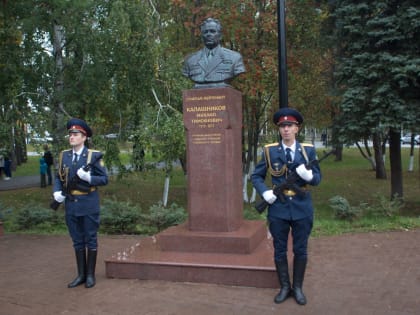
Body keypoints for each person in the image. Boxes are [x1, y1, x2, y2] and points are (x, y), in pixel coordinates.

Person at [251, 108, 321, 305]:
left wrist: (309, 177)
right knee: (279, 249)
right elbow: (256, 176)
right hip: (278, 209)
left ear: (297, 128)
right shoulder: (270, 151)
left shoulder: (308, 150)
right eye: (282, 126)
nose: (286, 129)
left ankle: (297, 288)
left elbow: (317, 179)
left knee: (301, 249)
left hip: (301, 208)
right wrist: (265, 192)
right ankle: (284, 287)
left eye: (290, 126)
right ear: (279, 129)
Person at [53, 118, 108, 288]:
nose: (72, 136)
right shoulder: (64, 155)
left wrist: (89, 178)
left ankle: (90, 275)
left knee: (90, 239)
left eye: (76, 134)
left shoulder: (93, 156)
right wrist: (56, 192)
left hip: (88, 204)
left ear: (84, 137)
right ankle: (81, 275)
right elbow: (58, 177)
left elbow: (104, 179)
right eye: (70, 134)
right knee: (77, 241)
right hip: (71, 204)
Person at [182, 17, 245, 88]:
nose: (208, 34)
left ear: (220, 36)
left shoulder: (235, 57)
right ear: (202, 37)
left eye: (212, 31)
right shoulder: (190, 60)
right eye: (205, 32)